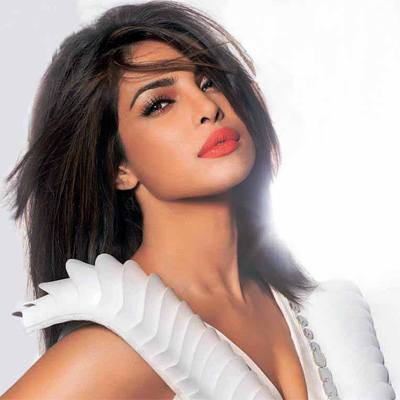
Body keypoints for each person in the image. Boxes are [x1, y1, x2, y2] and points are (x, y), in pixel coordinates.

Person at [1, 2, 395, 400]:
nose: (209, 108)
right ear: (119, 167)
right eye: (159, 104)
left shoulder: (327, 313)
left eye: (208, 82)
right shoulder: (119, 344)